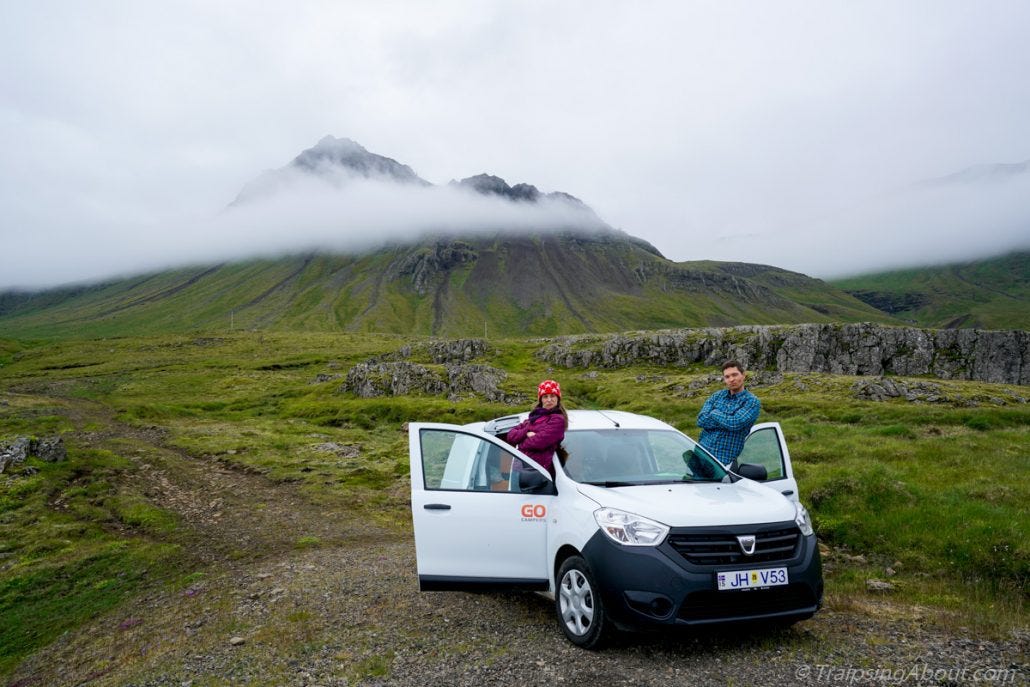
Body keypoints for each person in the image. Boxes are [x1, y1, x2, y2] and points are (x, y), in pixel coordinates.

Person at [696, 360, 761, 467]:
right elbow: (701, 420)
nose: (731, 379)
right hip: (700, 454)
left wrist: (713, 412)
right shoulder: (717, 396)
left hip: (723, 463)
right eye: (727, 377)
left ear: (743, 375)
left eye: (735, 375)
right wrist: (726, 420)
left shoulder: (751, 401)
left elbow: (735, 423)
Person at [505, 379, 568, 476]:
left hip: (536, 471)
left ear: (558, 398)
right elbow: (510, 436)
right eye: (545, 396)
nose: (549, 400)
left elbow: (539, 442)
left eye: (552, 396)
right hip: (518, 468)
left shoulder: (558, 420)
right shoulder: (533, 417)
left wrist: (520, 442)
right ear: (541, 399)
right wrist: (526, 432)